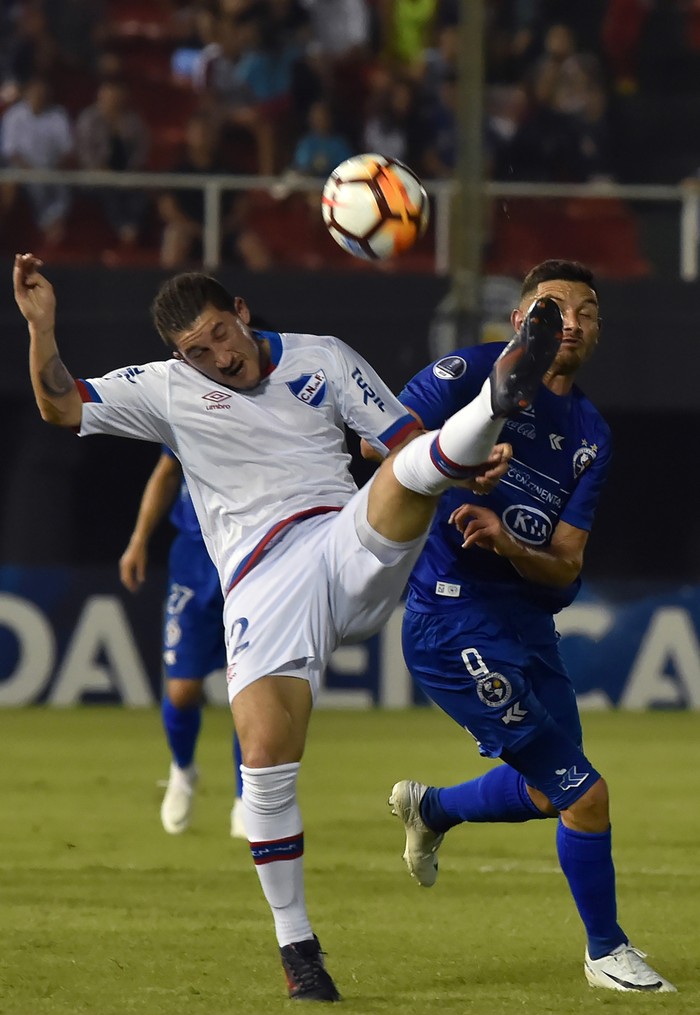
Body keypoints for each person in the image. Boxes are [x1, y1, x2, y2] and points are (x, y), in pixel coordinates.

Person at [12, 250, 562, 1002]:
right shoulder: (167, 389)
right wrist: (41, 326)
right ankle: (298, 947)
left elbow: (398, 439)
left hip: (343, 540)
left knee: (403, 476)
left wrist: (457, 465)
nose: (215, 358)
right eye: (195, 352)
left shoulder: (322, 358)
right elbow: (60, 404)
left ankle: (497, 397)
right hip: (261, 585)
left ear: (240, 311)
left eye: (218, 336)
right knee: (266, 756)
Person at [385, 260, 676, 993]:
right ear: (521, 320)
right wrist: (457, 465)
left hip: (527, 622)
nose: (572, 320)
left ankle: (433, 806)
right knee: (587, 792)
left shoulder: (591, 435)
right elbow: (382, 447)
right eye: (554, 307)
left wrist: (513, 543)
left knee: (552, 792)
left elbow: (567, 567)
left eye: (588, 309)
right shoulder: (470, 373)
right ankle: (607, 951)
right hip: (451, 616)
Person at [118, 447, 245, 839]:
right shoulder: (192, 405)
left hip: (250, 554)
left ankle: (249, 799)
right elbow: (166, 473)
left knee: (254, 687)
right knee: (182, 689)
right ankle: (183, 770)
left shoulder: (274, 407)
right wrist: (139, 539)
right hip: (194, 562)